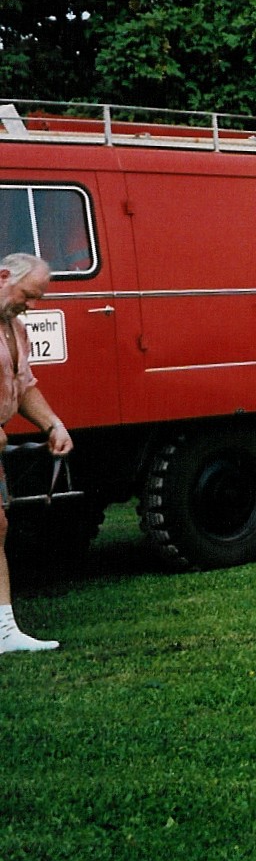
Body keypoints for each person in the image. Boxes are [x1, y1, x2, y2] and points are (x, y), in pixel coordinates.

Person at [0, 253, 73, 653]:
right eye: (27, 295)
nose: (30, 306)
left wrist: (52, 425)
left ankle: (4, 631)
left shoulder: (16, 329)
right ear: (3, 276)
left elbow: (24, 386)